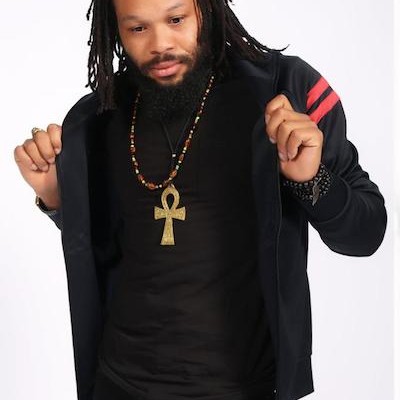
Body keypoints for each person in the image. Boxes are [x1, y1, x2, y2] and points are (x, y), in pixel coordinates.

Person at [13, 0, 387, 399]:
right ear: (115, 29)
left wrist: (312, 179)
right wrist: (58, 198)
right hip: (118, 382)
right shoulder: (96, 118)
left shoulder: (288, 91)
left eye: (176, 19)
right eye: (137, 28)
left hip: (243, 388)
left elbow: (365, 236)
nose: (160, 44)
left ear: (206, 9)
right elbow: (106, 245)